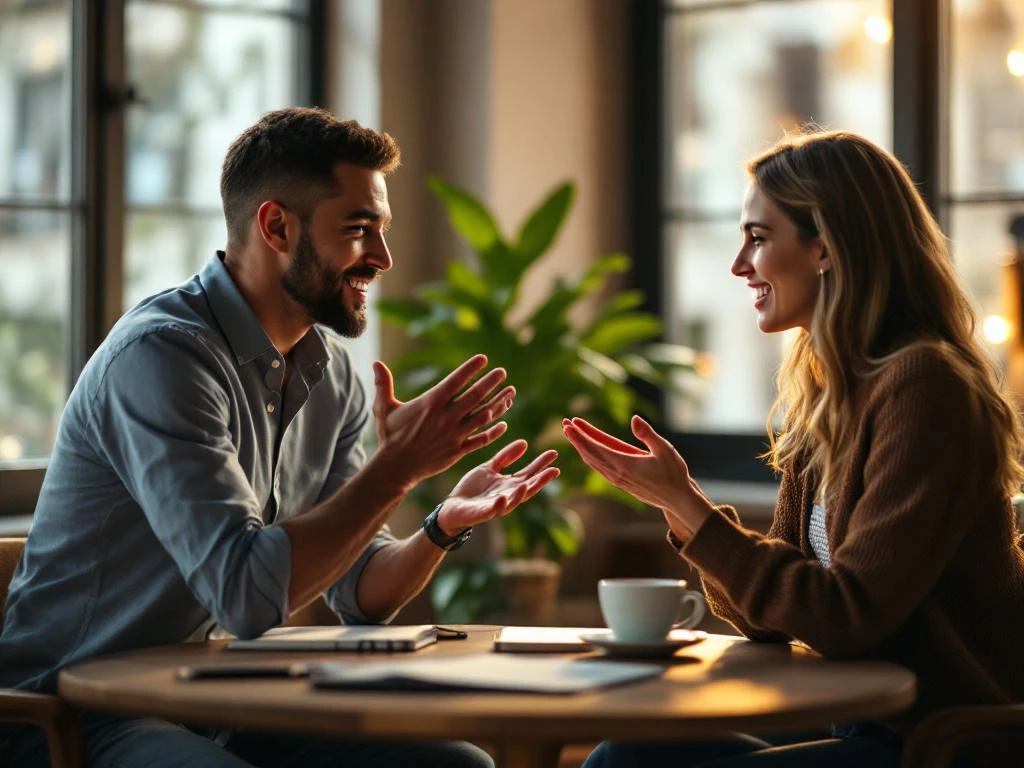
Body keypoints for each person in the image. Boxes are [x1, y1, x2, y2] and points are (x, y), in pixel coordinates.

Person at [0, 107, 560, 768]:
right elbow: (244, 595)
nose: (381, 258)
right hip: (74, 715)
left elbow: (357, 592)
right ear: (276, 225)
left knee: (456, 764)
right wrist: (398, 468)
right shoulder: (163, 359)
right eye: (359, 229)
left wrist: (438, 524)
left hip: (213, 700)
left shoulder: (333, 377)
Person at [564, 130, 1024, 767]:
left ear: (826, 247)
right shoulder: (831, 392)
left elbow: (846, 616)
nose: (739, 264)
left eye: (758, 236)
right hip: (861, 723)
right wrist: (679, 504)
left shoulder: (924, 385)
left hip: (937, 741)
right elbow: (772, 619)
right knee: (631, 755)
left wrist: (693, 512)